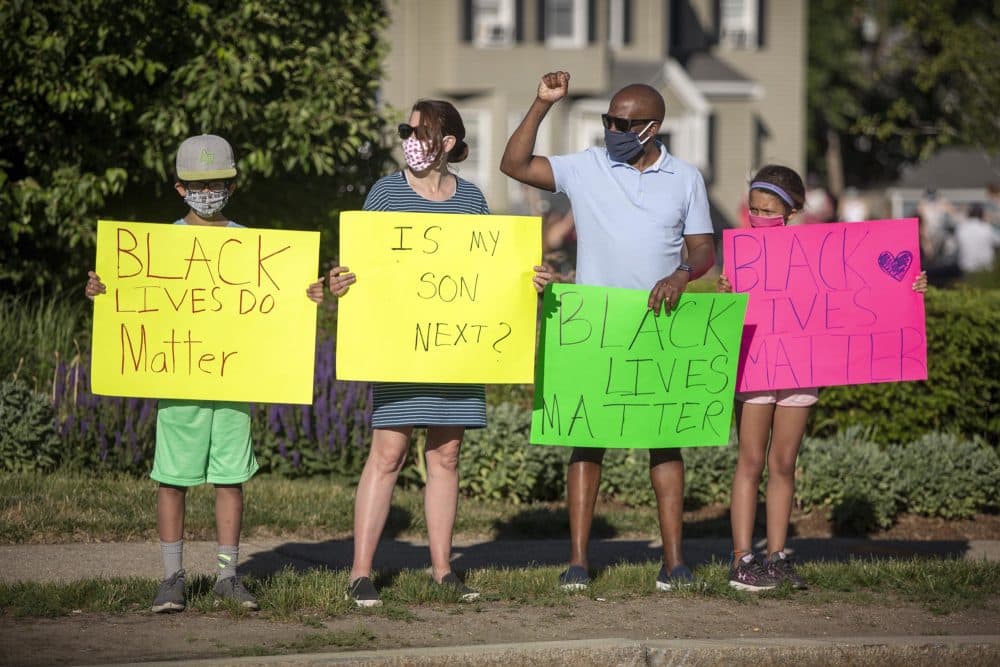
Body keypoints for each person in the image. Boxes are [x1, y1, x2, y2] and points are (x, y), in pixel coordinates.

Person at [85, 134, 326, 612]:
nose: (208, 190)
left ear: (232, 186)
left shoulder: (254, 247)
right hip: (178, 382)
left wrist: (307, 297)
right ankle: (172, 577)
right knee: (172, 478)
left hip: (234, 383)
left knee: (230, 478)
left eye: (218, 182)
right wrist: (103, 291)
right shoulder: (158, 247)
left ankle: (227, 575)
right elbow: (132, 296)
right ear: (180, 189)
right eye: (198, 184)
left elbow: (275, 304)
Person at [328, 100, 552, 607]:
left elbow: (488, 274)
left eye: (421, 130)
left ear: (447, 143)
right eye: (406, 128)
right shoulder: (384, 193)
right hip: (401, 350)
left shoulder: (471, 200)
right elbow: (364, 266)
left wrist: (529, 281)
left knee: (447, 455)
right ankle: (360, 572)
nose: (410, 136)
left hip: (457, 351)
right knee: (388, 453)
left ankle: (443, 570)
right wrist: (342, 281)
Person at [500, 71, 716, 591]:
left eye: (624, 122)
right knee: (586, 443)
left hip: (658, 322)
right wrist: (540, 101)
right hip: (593, 320)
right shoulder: (587, 166)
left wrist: (682, 274)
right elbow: (514, 164)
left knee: (665, 443)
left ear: (653, 127)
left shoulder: (686, 178)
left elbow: (704, 248)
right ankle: (578, 562)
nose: (614, 129)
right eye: (608, 120)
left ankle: (674, 562)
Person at [716, 165, 928, 591]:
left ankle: (776, 556)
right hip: (754, 365)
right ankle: (742, 557)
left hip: (801, 366)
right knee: (751, 461)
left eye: (768, 210)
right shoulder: (741, 252)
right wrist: (724, 293)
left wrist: (911, 285)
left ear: (791, 212)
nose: (758, 216)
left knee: (783, 463)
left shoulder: (822, 250)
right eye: (753, 209)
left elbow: (868, 287)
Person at [954, 203, 997, 274]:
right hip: (986, 268)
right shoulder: (987, 228)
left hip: (966, 267)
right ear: (982, 215)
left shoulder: (961, 228)